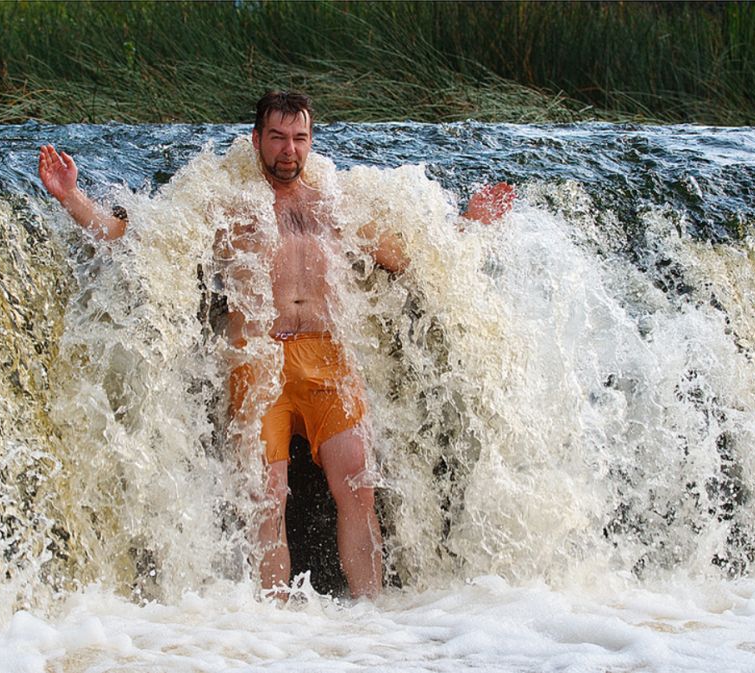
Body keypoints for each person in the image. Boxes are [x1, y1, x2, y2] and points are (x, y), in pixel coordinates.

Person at [38, 91, 514, 600]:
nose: (289, 150)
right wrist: (71, 197)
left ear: (311, 141)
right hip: (259, 358)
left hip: (328, 357)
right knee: (266, 500)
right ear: (256, 140)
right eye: (278, 138)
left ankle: (373, 616)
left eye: (300, 138)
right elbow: (133, 240)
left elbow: (408, 258)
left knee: (358, 486)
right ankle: (275, 625)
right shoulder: (230, 207)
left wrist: (469, 226)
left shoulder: (335, 204)